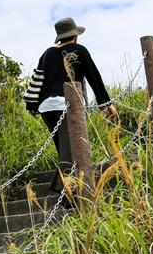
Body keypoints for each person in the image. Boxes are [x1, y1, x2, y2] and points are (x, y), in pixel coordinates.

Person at [23, 17, 117, 192]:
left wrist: (32, 105)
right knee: (71, 151)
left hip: (46, 108)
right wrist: (107, 104)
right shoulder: (79, 50)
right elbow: (94, 78)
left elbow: (38, 79)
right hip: (66, 105)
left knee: (64, 148)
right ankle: (64, 190)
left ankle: (70, 190)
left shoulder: (47, 53)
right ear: (75, 35)